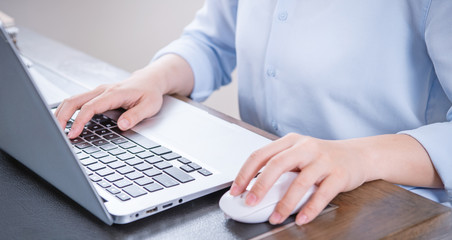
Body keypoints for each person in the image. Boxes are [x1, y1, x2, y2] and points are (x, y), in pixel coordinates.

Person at [55, 0, 452, 226]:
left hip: (389, 212)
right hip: (260, 190)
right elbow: (211, 42)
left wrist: (359, 157)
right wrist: (152, 79)